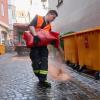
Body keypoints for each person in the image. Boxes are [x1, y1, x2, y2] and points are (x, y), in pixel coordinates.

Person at [28, 10, 63, 88]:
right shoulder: (38, 18)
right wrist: (35, 35)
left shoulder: (49, 26)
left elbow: (48, 37)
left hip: (43, 47)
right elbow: (31, 26)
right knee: (36, 62)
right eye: (53, 17)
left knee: (44, 61)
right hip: (35, 45)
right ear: (49, 14)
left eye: (54, 18)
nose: (53, 19)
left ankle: (43, 80)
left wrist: (56, 44)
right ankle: (39, 75)